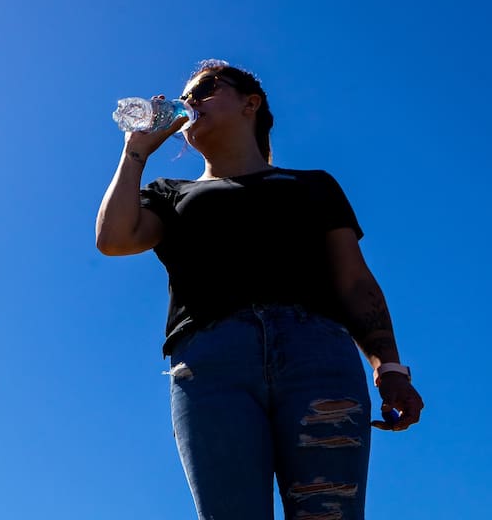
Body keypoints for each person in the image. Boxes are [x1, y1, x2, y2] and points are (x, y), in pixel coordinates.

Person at [95, 59, 424, 520]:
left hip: (318, 356)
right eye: (186, 96)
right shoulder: (170, 192)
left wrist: (389, 367)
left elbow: (354, 280)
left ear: (251, 104)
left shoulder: (312, 185)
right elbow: (114, 239)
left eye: (205, 89)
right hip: (211, 364)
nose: (189, 102)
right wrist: (135, 152)